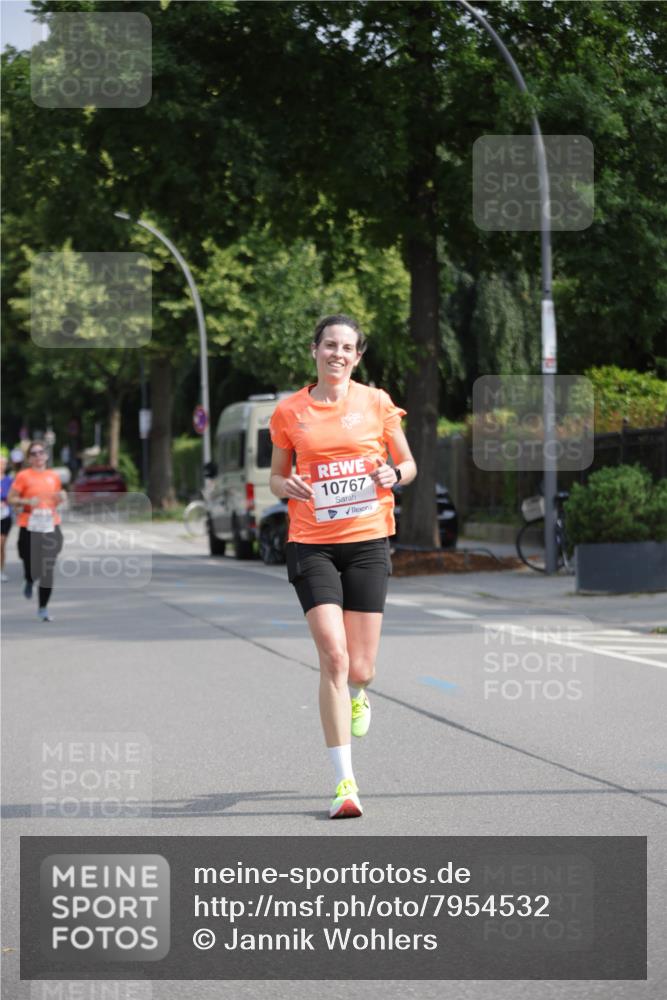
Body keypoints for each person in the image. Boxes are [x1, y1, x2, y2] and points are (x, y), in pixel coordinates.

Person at [269, 315, 417, 818]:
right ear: (314, 350)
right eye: (329, 344)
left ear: (357, 356)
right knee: (333, 657)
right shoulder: (290, 411)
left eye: (346, 347)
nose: (337, 353)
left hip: (367, 541)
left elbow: (408, 464)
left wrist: (392, 473)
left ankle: (360, 692)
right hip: (311, 543)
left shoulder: (376, 403)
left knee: (361, 668)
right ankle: (345, 784)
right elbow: (276, 476)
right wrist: (286, 486)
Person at [8, 441, 66, 622]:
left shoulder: (53, 476)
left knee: (48, 568)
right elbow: (11, 498)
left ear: (46, 455)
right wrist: (26, 501)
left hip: (50, 524)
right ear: (29, 458)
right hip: (29, 525)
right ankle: (29, 578)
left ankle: (43, 608)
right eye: (34, 453)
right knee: (28, 559)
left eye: (41, 452)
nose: (38, 456)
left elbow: (58, 498)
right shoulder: (23, 476)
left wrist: (61, 497)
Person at [0, 454, 13, 581]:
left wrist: (6, 502)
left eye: (3, 464)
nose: (1, 466)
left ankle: (1, 571)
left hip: (5, 516)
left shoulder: (9, 480)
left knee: (1, 545)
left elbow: (13, 497)